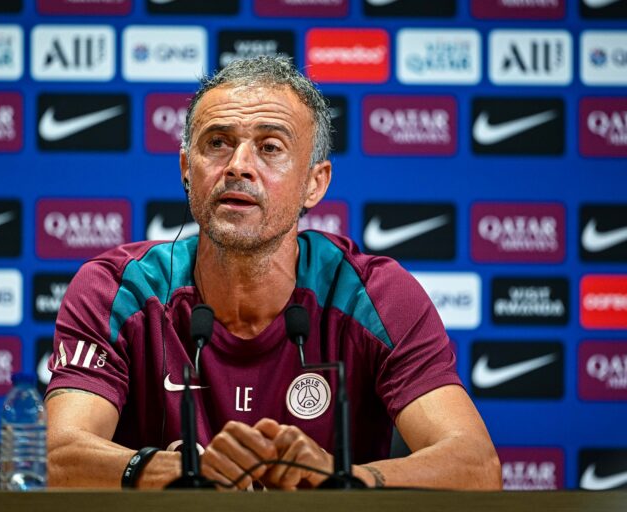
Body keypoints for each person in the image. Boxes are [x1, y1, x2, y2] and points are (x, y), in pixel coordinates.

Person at [45, 56, 501, 491]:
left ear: (314, 183)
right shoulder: (116, 290)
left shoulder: (374, 296)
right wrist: (159, 468)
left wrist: (342, 478)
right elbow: (53, 458)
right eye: (217, 143)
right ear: (187, 168)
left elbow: (476, 466)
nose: (239, 166)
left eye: (270, 147)